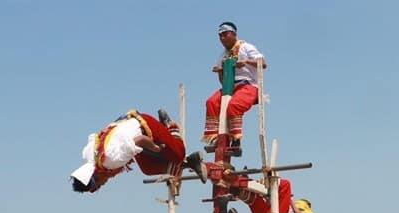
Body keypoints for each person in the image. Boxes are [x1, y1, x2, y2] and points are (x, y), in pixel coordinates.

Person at [70, 109, 206, 193]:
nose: (102, 185)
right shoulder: (90, 158)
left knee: (178, 154)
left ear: (96, 177)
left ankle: (170, 127)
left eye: (98, 185)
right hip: (132, 136)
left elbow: (140, 140)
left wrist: (155, 148)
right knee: (148, 168)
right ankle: (190, 162)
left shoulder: (111, 161)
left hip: (146, 127)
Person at [203, 21, 266, 155]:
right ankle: (216, 139)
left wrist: (246, 62)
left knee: (234, 105)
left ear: (234, 34)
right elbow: (222, 81)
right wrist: (221, 71)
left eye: (225, 34)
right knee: (211, 102)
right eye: (220, 36)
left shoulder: (246, 47)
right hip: (230, 87)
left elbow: (263, 63)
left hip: (248, 85)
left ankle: (236, 140)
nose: (222, 38)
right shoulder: (223, 55)